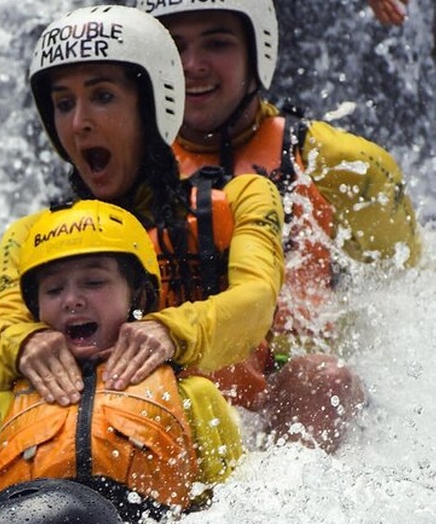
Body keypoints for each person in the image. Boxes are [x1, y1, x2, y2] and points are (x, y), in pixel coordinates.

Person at [0, 6, 286, 523]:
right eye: (63, 103)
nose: (80, 123)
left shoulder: (244, 197)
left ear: (154, 102)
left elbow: (257, 301)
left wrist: (172, 331)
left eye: (102, 97)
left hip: (229, 416)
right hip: (107, 430)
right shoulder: (30, 236)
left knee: (320, 375)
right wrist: (25, 342)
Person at [139, 0, 421, 452]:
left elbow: (404, 288)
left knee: (322, 378)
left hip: (297, 390)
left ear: (258, 51)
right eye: (173, 47)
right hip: (176, 385)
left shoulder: (345, 166)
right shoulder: (128, 166)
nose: (192, 65)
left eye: (216, 43)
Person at [0, 199, 234, 523]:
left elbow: (234, 500)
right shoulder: (5, 405)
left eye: (94, 282)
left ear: (138, 296)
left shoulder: (191, 395)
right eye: (53, 289)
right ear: (35, 309)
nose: (72, 300)